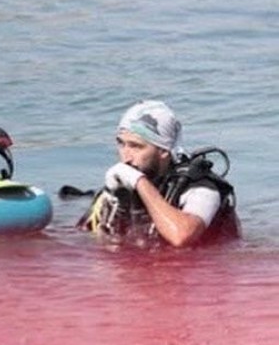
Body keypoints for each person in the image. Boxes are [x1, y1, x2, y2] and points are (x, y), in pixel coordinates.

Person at [78, 99, 240, 248]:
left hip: (203, 274)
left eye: (136, 146)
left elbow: (181, 236)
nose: (125, 156)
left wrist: (139, 182)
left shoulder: (203, 189)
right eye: (122, 144)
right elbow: (82, 235)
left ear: (163, 151)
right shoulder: (125, 179)